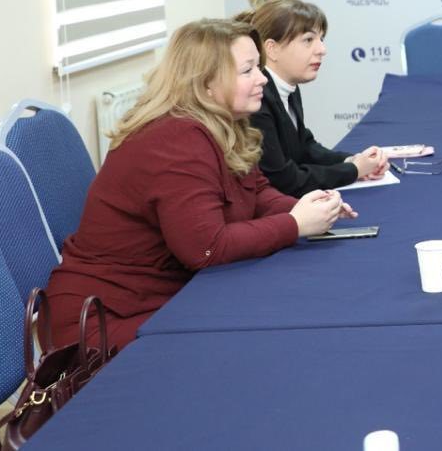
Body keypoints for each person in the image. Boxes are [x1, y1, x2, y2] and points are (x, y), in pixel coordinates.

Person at [44, 19, 357, 351]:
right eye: (248, 70)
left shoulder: (223, 122)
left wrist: (306, 207)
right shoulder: (176, 139)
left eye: (258, 67)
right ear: (207, 83)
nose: (263, 79)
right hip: (105, 317)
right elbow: (207, 248)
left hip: (163, 295)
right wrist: (295, 224)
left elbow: (256, 191)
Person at [237, 0, 387, 195]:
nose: (322, 50)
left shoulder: (288, 85)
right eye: (308, 40)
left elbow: (304, 146)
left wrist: (353, 161)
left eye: (321, 39)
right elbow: (284, 180)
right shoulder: (257, 98)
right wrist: (353, 170)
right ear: (272, 49)